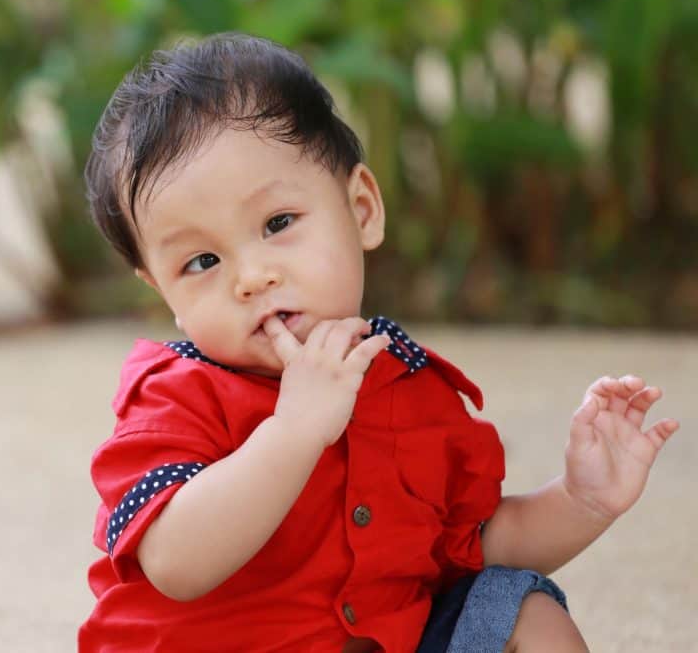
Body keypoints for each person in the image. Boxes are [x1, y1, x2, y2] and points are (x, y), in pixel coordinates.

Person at [77, 33, 680, 652]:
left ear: (361, 208)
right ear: (163, 293)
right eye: (202, 261)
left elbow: (470, 545)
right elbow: (177, 563)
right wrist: (294, 432)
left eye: (277, 224)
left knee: (520, 608)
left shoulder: (407, 387)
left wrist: (583, 500)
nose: (251, 277)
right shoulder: (174, 399)